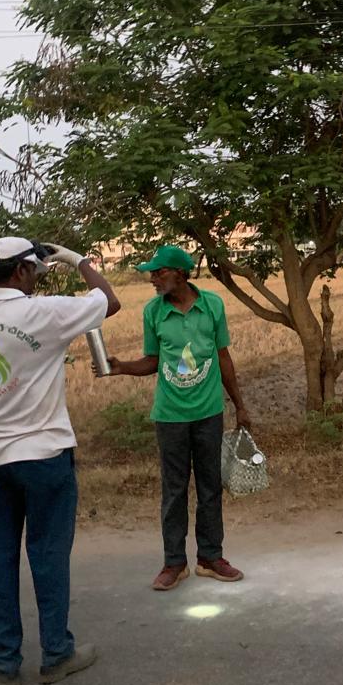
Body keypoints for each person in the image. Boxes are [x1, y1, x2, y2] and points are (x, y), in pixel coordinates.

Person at [0, 236, 121, 685]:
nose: (37, 279)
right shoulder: (45, 313)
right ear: (21, 271)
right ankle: (57, 655)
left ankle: (1, 663)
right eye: (35, 271)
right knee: (49, 556)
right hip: (44, 456)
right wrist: (76, 259)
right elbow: (109, 300)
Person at [106, 245, 251, 590]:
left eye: (159, 273)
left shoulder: (212, 305)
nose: (153, 279)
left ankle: (210, 557)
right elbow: (153, 361)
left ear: (181, 274)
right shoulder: (153, 312)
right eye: (152, 274)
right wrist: (122, 367)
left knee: (210, 486)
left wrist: (240, 405)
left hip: (209, 412)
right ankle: (174, 563)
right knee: (174, 490)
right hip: (170, 416)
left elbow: (223, 357)